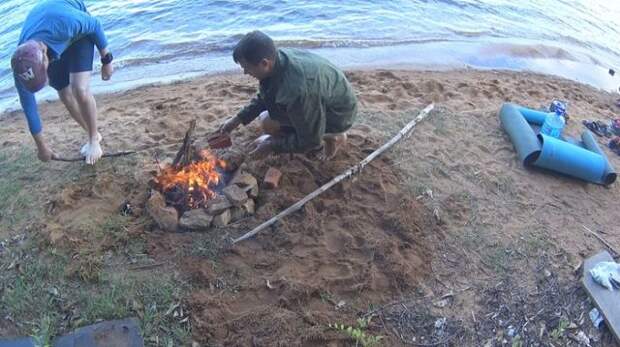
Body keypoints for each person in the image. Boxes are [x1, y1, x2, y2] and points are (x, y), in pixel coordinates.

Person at [218, 31, 357, 161]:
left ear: (264, 63)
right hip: (323, 100)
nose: (245, 72)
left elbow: (310, 140)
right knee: (267, 119)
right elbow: (266, 96)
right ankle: (326, 134)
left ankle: (334, 136)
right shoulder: (277, 59)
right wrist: (237, 120)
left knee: (269, 124)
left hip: (339, 116)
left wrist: (271, 145)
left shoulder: (297, 90)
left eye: (246, 67)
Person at [11, 0, 114, 164]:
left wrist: (106, 61)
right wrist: (42, 146)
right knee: (65, 95)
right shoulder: (21, 64)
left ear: (46, 58)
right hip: (48, 37)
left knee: (79, 88)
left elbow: (94, 25)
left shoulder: (66, 23)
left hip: (77, 34)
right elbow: (29, 108)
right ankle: (91, 133)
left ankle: (94, 140)